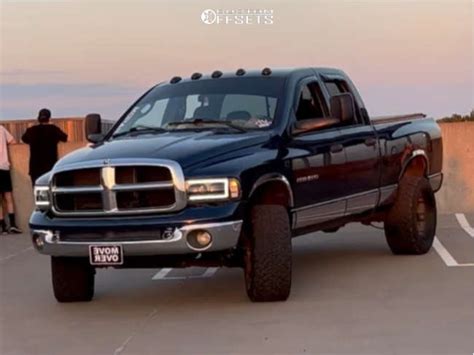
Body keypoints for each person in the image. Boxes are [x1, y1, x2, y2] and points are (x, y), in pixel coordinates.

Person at [22, 108, 68, 186]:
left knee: (37, 190)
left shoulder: (31, 130)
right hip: (50, 166)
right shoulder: (53, 129)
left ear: (38, 118)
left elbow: (24, 139)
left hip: (35, 167)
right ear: (49, 118)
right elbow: (64, 138)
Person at [0, 125, 22, 234]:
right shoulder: (1, 129)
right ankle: (12, 225)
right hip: (3, 167)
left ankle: (2, 226)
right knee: (8, 197)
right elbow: (12, 141)